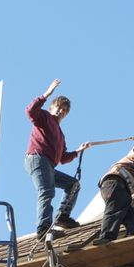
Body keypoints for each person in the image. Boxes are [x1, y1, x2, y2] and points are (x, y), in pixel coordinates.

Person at [24, 78, 90, 239]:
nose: (62, 111)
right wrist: (46, 94)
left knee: (73, 184)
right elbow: (30, 112)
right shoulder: (44, 117)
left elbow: (63, 158)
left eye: (65, 110)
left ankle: (62, 216)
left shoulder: (60, 135)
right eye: (59, 107)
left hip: (49, 166)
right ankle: (43, 228)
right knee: (47, 191)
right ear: (52, 108)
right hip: (38, 159)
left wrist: (78, 151)